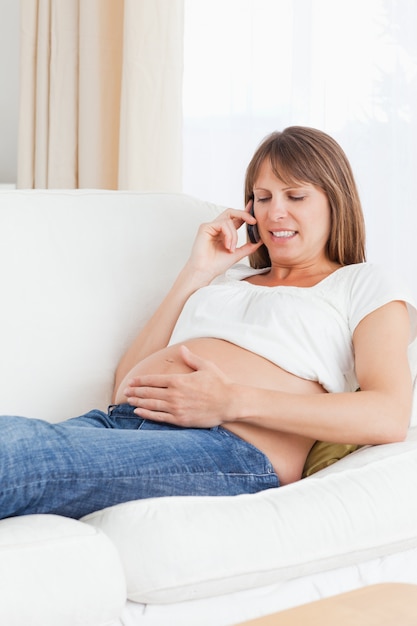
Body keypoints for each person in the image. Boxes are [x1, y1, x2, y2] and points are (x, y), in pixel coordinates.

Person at [1, 126, 416, 520]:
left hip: (231, 449)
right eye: (264, 197)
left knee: (17, 452)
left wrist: (232, 400)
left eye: (296, 196)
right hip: (121, 424)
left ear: (334, 201)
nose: (276, 213)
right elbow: (126, 385)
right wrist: (197, 272)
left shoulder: (362, 282)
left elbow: (389, 414)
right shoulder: (226, 280)